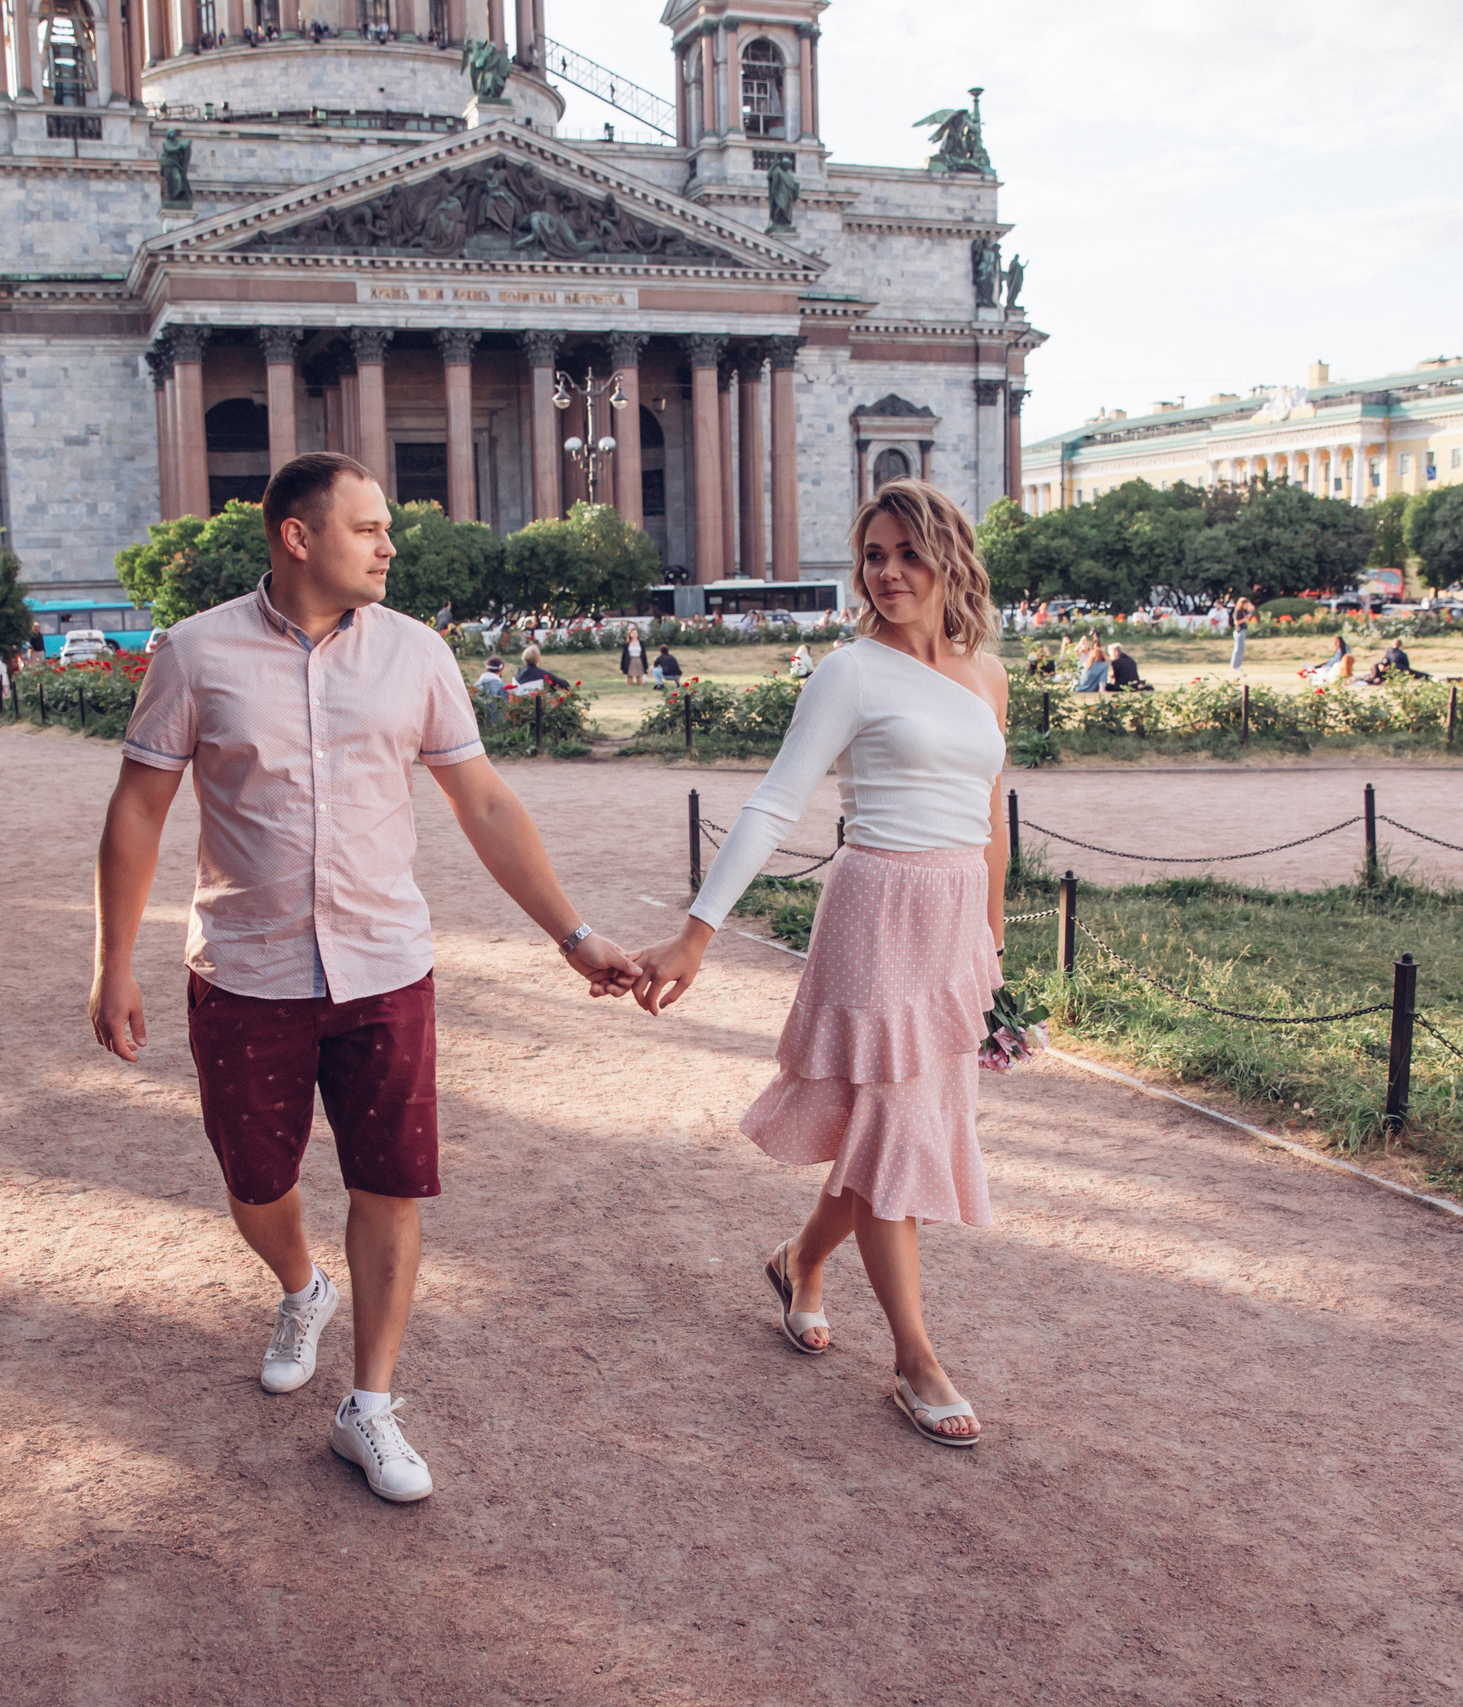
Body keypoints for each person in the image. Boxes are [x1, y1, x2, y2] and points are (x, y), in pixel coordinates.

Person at [90, 452, 639, 1504]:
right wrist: (112, 962)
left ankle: (369, 1406)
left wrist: (574, 936)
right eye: (368, 528)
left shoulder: (416, 653)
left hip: (385, 969)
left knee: (391, 1182)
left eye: (387, 528)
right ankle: (303, 1286)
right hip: (246, 971)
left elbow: (483, 804)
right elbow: (137, 811)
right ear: (298, 537)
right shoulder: (196, 654)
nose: (390, 545)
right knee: (256, 1181)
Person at [632, 478, 1006, 1447]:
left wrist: (993, 945)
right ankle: (915, 1359)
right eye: (873, 555)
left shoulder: (984, 673)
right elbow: (774, 802)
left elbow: (991, 818)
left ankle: (800, 1259)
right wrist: (699, 929)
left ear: (948, 558)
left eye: (906, 553)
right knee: (894, 1134)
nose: (887, 573)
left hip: (954, 923)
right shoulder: (849, 673)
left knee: (889, 1130)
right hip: (877, 915)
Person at [1229, 595, 1256, 673]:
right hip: (1239, 631)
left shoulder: (1243, 611)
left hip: (1242, 631)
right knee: (1238, 649)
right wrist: (1245, 618)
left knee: (1241, 649)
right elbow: (1236, 622)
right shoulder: (1237, 611)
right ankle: (1235, 665)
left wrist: (1249, 604)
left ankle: (1237, 665)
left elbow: (1252, 608)